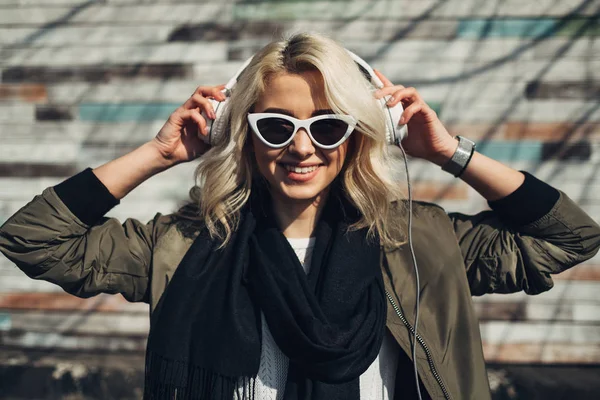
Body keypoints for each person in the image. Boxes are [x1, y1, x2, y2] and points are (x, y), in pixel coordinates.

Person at [1, 33, 599, 400]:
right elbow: (35, 240)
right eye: (277, 125)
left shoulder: (420, 241)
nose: (303, 147)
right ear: (246, 135)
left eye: (328, 125)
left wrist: (450, 152)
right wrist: (158, 154)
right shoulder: (187, 244)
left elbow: (569, 237)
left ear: (359, 136)